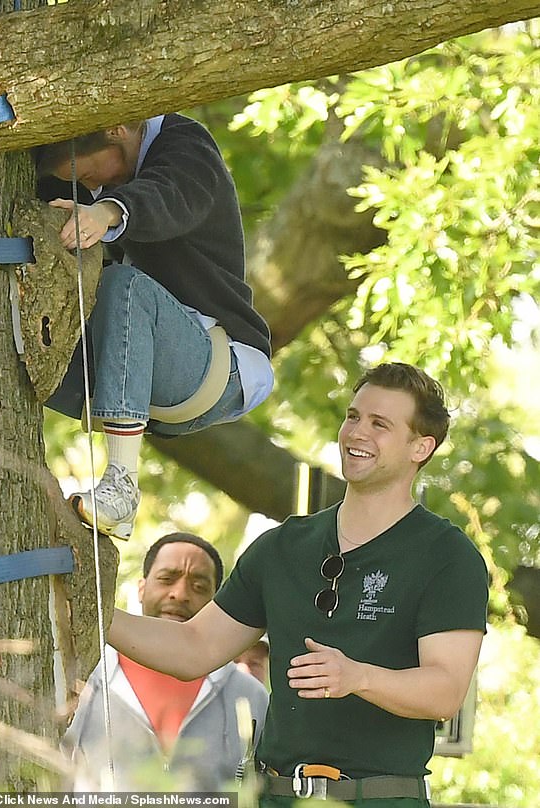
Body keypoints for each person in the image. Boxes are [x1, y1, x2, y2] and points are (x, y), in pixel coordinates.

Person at [105, 363, 490, 806]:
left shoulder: (449, 556)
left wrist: (358, 676)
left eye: (379, 424)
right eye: (353, 416)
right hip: (274, 795)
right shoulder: (282, 545)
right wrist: (95, 611)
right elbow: (194, 646)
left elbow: (445, 691)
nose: (357, 432)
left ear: (421, 447)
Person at [35, 115, 273, 540]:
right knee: (23, 351)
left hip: (215, 360)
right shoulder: (101, 179)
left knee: (124, 287)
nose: (90, 189)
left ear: (117, 127)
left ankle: (122, 483)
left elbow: (170, 196)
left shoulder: (186, 146)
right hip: (131, 368)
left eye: (89, 174)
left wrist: (107, 212)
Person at [62, 532, 269, 790]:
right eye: (166, 579)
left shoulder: (250, 696)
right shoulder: (84, 679)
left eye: (199, 587)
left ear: (217, 601)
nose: (180, 594)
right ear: (141, 588)